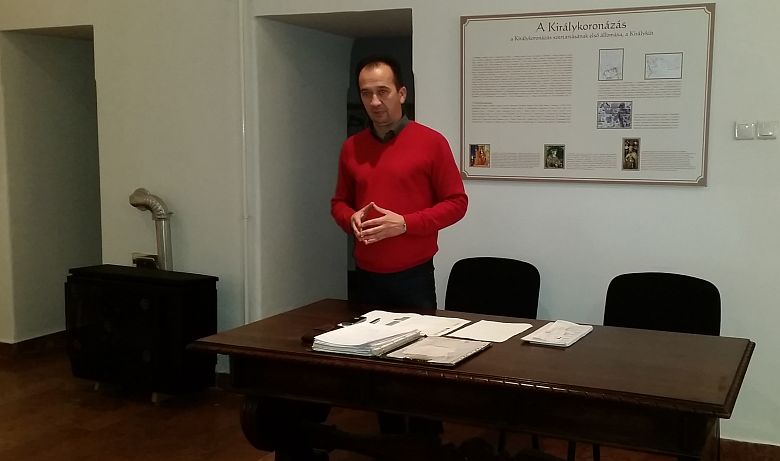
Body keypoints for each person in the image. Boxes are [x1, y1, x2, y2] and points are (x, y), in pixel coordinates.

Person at [331, 55, 468, 435]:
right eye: (366, 94)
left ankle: (426, 441)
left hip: (414, 276)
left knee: (421, 363)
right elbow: (339, 203)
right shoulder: (352, 148)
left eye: (383, 91)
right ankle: (390, 440)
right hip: (367, 276)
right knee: (377, 367)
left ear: (402, 93)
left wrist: (405, 224)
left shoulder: (431, 142)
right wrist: (349, 218)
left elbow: (457, 203)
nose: (375, 102)